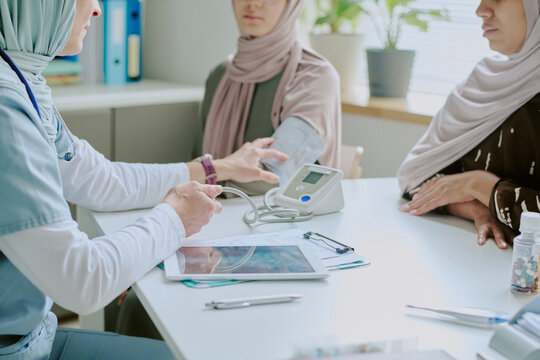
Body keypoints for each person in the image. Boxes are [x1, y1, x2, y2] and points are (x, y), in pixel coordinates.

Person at [0, 0, 288, 359]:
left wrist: (218, 168)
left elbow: (102, 180)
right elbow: (82, 281)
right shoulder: (5, 112)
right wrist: (174, 218)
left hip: (34, 337)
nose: (98, 11)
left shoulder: (22, 81)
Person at [398, 0, 540, 249]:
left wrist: (479, 185)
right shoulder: (481, 83)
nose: (480, 10)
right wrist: (474, 207)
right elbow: (416, 176)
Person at [198, 0, 341, 192]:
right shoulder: (221, 76)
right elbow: (198, 158)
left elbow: (271, 175)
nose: (253, 3)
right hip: (210, 213)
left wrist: (192, 178)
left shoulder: (314, 77)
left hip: (284, 218)